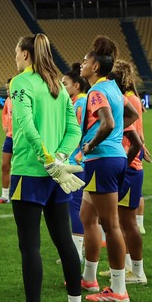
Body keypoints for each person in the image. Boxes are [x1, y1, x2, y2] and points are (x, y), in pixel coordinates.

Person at [1, 34, 85, 302]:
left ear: (25, 54)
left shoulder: (22, 83)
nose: (15, 58)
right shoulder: (57, 86)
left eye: (16, 53)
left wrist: (48, 158)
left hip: (30, 171)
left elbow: (24, 124)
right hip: (55, 174)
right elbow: (74, 129)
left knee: (30, 247)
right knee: (64, 241)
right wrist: (60, 157)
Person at [78, 37, 140, 302]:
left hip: (102, 160)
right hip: (113, 158)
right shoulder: (115, 87)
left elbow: (108, 122)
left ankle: (118, 289)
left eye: (85, 60)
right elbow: (131, 116)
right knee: (87, 217)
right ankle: (89, 277)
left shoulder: (98, 91)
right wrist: (115, 137)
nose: (82, 64)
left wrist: (91, 143)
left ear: (94, 66)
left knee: (111, 225)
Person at [111, 59, 148, 286]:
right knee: (121, 221)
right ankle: (125, 267)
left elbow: (133, 132)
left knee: (128, 222)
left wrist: (135, 153)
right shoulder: (130, 97)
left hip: (129, 164)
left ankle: (137, 271)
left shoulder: (130, 99)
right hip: (129, 160)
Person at [60, 63, 90, 262]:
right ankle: (81, 249)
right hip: (82, 160)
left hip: (76, 161)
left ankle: (76, 254)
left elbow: (76, 133)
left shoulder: (78, 104)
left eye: (66, 84)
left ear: (77, 86)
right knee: (82, 207)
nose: (63, 87)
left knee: (75, 206)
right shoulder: (83, 101)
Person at [0, 78, 15, 204]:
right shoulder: (8, 101)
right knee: (5, 166)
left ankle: (18, 194)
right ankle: (5, 196)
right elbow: (5, 113)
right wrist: (5, 124)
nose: (7, 91)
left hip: (22, 139)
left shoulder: (23, 100)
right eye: (6, 88)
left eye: (9, 88)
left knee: (21, 168)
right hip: (10, 137)